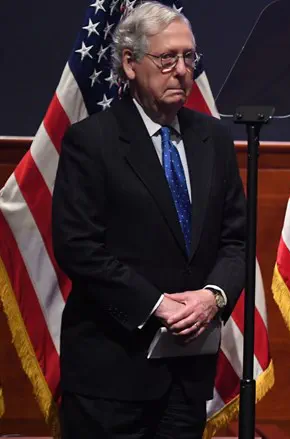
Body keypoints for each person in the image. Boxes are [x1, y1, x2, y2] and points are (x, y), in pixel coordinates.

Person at [51, 2, 246, 437]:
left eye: (189, 58)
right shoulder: (91, 141)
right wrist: (158, 305)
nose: (182, 71)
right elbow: (78, 247)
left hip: (186, 381)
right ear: (130, 62)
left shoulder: (212, 138)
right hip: (111, 377)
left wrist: (212, 297)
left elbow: (237, 240)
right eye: (167, 58)